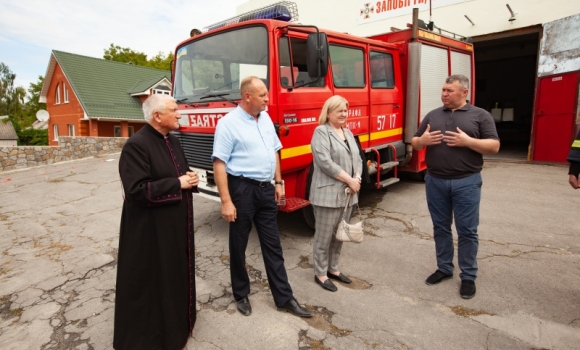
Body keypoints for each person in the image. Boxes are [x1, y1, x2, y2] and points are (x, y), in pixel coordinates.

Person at [212, 76, 312, 318]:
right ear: (248, 96)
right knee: (239, 245)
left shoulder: (265, 118)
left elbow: (275, 150)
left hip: (266, 189)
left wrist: (278, 182)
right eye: (263, 95)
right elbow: (219, 163)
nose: (268, 99)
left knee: (273, 245)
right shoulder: (228, 124)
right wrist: (226, 201)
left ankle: (284, 298)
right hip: (241, 190)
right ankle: (241, 294)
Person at [114, 94, 199, 350]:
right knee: (154, 280)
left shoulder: (171, 140)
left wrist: (189, 177)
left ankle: (178, 323)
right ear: (157, 116)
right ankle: (157, 333)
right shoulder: (136, 145)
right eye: (174, 110)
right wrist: (178, 183)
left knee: (174, 274)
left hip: (174, 226)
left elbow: (176, 172)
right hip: (150, 231)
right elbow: (136, 190)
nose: (179, 114)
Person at [411, 74, 500, 299]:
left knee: (467, 231)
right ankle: (444, 268)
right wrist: (423, 141)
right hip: (435, 181)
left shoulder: (480, 115)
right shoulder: (433, 115)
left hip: (466, 182)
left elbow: (494, 146)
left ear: (464, 93)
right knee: (440, 227)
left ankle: (468, 276)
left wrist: (467, 141)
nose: (444, 94)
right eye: (443, 89)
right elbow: (414, 141)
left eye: (450, 90)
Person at [309, 95, 362, 292]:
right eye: (339, 110)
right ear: (328, 112)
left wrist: (357, 178)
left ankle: (334, 269)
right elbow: (325, 162)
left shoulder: (347, 132)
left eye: (345, 111)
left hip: (348, 195)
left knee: (339, 236)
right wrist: (349, 180)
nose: (343, 114)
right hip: (327, 196)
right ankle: (320, 273)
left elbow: (358, 158)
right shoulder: (321, 132)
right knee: (323, 238)